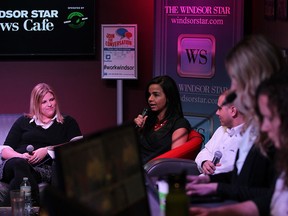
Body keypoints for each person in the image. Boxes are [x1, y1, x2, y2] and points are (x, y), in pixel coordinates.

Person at [186, 35, 284, 204]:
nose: (231, 89)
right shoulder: (253, 127)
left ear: (253, 81)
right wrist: (210, 182)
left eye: (234, 80)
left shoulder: (275, 131)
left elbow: (270, 197)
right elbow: (242, 178)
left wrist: (218, 189)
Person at [0, 83, 82, 206]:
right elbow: (5, 150)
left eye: (52, 99)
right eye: (44, 102)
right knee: (19, 164)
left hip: (41, 170)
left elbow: (78, 146)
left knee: (20, 179)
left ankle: (10, 209)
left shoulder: (68, 122)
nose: (50, 104)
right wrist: (20, 156)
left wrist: (47, 150)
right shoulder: (23, 121)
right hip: (14, 164)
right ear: (36, 104)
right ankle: (35, 202)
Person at [134, 75, 191, 164]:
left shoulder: (179, 124)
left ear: (168, 97)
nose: (150, 99)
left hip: (154, 171)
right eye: (149, 95)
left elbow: (174, 159)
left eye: (156, 95)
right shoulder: (147, 118)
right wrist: (138, 130)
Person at [195, 90, 245, 175]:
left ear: (233, 111)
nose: (217, 113)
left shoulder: (248, 139)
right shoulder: (221, 130)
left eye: (220, 108)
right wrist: (204, 162)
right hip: (203, 181)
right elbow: (204, 153)